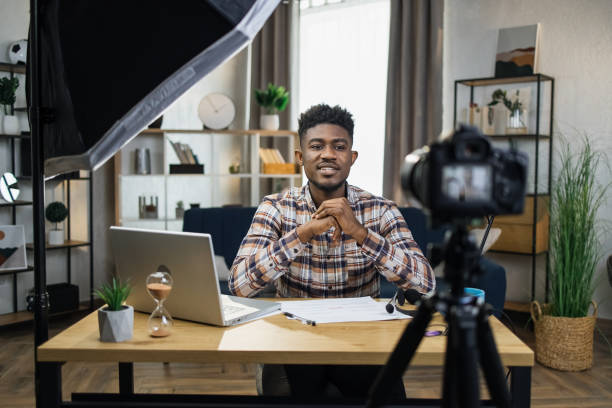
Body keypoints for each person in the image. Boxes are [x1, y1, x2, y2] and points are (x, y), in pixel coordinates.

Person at [229, 104, 435, 399]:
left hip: (361, 343)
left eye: (339, 147)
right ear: (300, 157)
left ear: (351, 158)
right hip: (296, 342)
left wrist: (360, 232)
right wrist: (303, 233)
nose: (327, 154)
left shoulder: (380, 209)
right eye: (316, 146)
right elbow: (239, 284)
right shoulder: (275, 207)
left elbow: (425, 285)